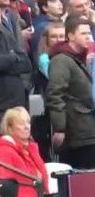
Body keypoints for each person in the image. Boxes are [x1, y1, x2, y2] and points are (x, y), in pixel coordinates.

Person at [46, 16, 95, 168]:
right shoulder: (61, 60)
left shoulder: (81, 59)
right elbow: (55, 94)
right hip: (77, 131)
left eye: (89, 33)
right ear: (70, 36)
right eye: (83, 33)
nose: (88, 37)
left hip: (88, 129)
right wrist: (60, 128)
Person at [0, 106, 49, 197]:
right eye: (21, 124)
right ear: (10, 128)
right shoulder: (3, 151)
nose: (27, 127)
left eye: (28, 122)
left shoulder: (31, 149)